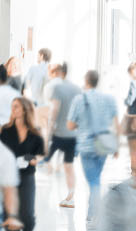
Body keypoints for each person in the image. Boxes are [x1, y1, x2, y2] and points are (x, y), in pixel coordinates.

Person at [0, 97, 45, 231]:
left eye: (16, 107)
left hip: (27, 178)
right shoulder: (5, 131)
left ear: (25, 110)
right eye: (12, 106)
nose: (13, 109)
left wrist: (33, 160)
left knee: (28, 217)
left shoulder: (35, 133)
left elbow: (41, 154)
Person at [67, 70, 120, 220]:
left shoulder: (79, 100)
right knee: (95, 178)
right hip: (103, 144)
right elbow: (117, 125)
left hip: (87, 145)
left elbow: (70, 125)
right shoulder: (109, 99)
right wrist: (116, 146)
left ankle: (94, 214)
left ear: (86, 81)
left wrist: (82, 123)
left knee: (93, 181)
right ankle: (93, 212)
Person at [43, 63, 82, 208]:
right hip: (73, 135)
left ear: (60, 73)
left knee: (43, 158)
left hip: (59, 133)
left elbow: (54, 110)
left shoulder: (57, 88)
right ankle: (70, 197)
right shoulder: (77, 89)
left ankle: (45, 187)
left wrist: (48, 132)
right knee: (69, 165)